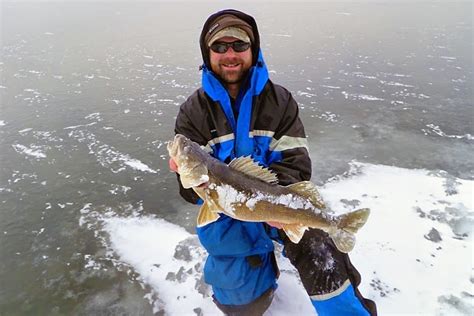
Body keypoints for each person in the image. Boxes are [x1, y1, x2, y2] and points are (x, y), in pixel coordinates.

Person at [169, 9, 377, 316]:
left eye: (239, 45)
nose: (230, 54)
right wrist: (184, 177)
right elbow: (190, 191)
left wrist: (278, 208)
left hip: (277, 202)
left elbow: (296, 164)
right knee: (240, 304)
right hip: (228, 214)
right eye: (220, 46)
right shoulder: (192, 112)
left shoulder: (280, 102)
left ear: (253, 50)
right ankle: (261, 279)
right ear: (207, 52)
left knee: (320, 250)